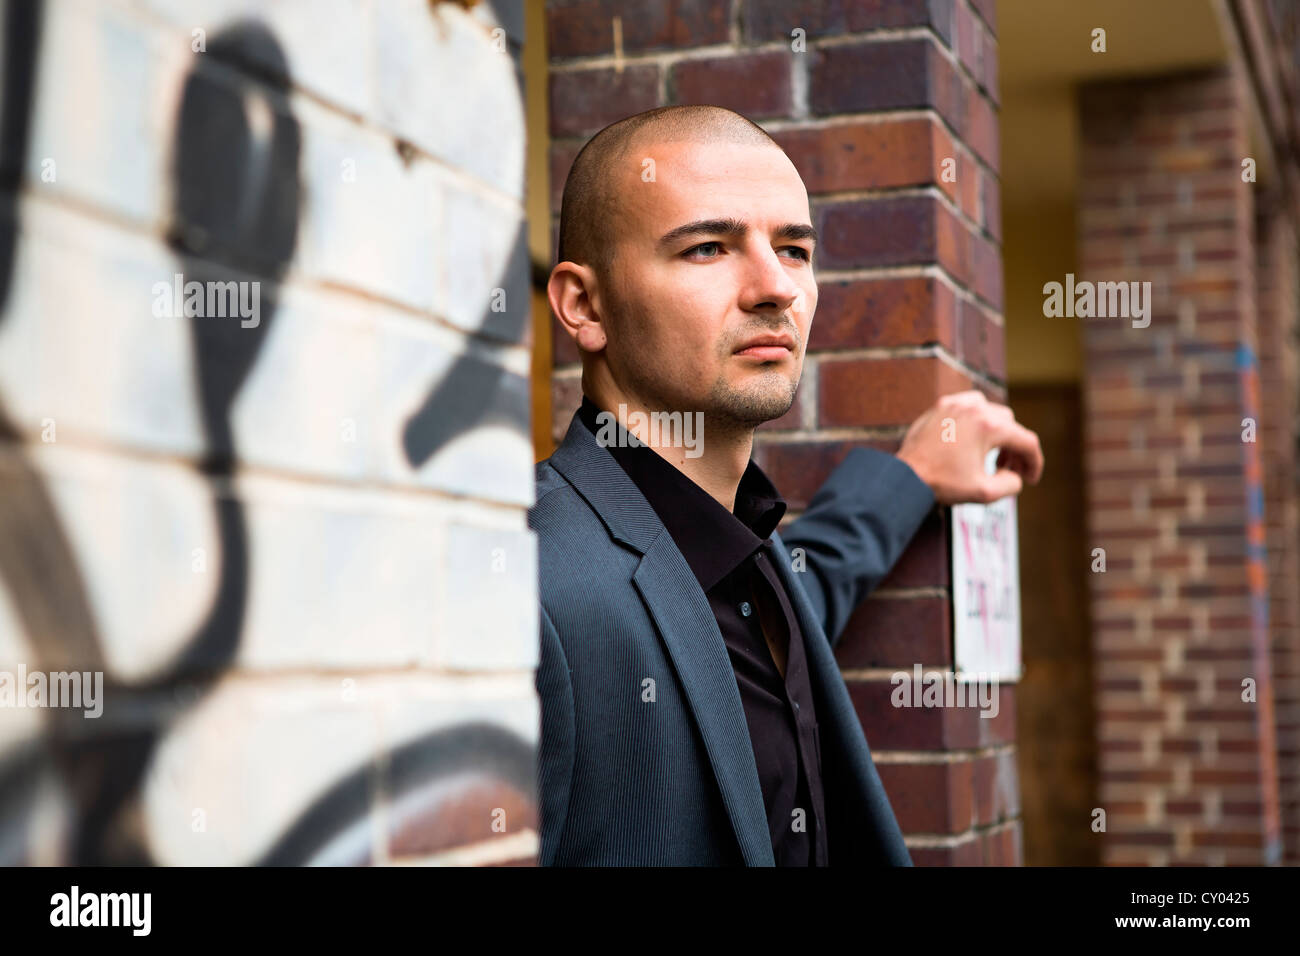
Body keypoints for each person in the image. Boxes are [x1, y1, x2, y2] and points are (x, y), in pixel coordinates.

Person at [531, 104, 1044, 866]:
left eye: (795, 250)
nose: (777, 289)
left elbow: (782, 593)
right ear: (585, 304)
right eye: (708, 247)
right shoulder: (526, 584)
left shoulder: (751, 567)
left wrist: (908, 481)